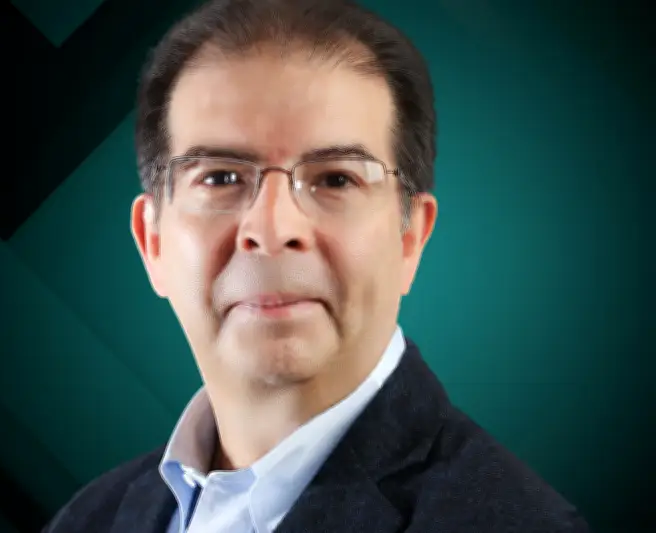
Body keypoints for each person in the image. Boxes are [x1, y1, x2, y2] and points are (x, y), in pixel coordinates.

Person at [44, 0, 591, 531]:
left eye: (335, 179)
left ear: (410, 239)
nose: (272, 228)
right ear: (153, 243)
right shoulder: (91, 517)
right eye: (220, 177)